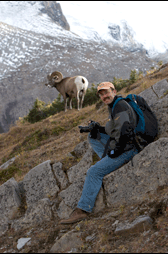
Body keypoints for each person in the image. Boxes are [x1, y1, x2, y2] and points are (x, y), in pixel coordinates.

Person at [60, 81, 140, 224]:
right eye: (101, 94)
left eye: (107, 92)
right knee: (92, 137)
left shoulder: (120, 106)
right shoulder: (114, 105)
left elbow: (126, 131)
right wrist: (98, 128)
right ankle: (107, 162)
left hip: (128, 150)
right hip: (123, 145)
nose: (104, 96)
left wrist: (116, 151)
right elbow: (116, 130)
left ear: (114, 91)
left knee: (93, 172)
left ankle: (83, 210)